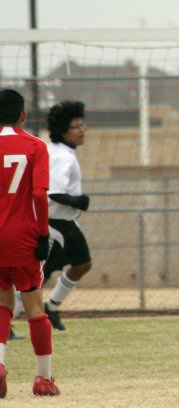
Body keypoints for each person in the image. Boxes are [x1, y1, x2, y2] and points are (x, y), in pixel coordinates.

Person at [0, 89, 61, 397]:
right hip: (23, 236)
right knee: (35, 305)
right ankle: (43, 378)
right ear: (23, 114)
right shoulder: (36, 146)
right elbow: (39, 195)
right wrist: (42, 234)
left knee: (2, 302)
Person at [42, 100, 92, 332]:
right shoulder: (61, 155)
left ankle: (52, 307)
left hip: (67, 223)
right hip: (54, 224)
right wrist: (78, 201)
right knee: (38, 278)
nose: (83, 130)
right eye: (77, 125)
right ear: (63, 129)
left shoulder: (63, 151)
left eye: (83, 124)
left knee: (82, 263)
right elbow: (54, 192)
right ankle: (9, 320)